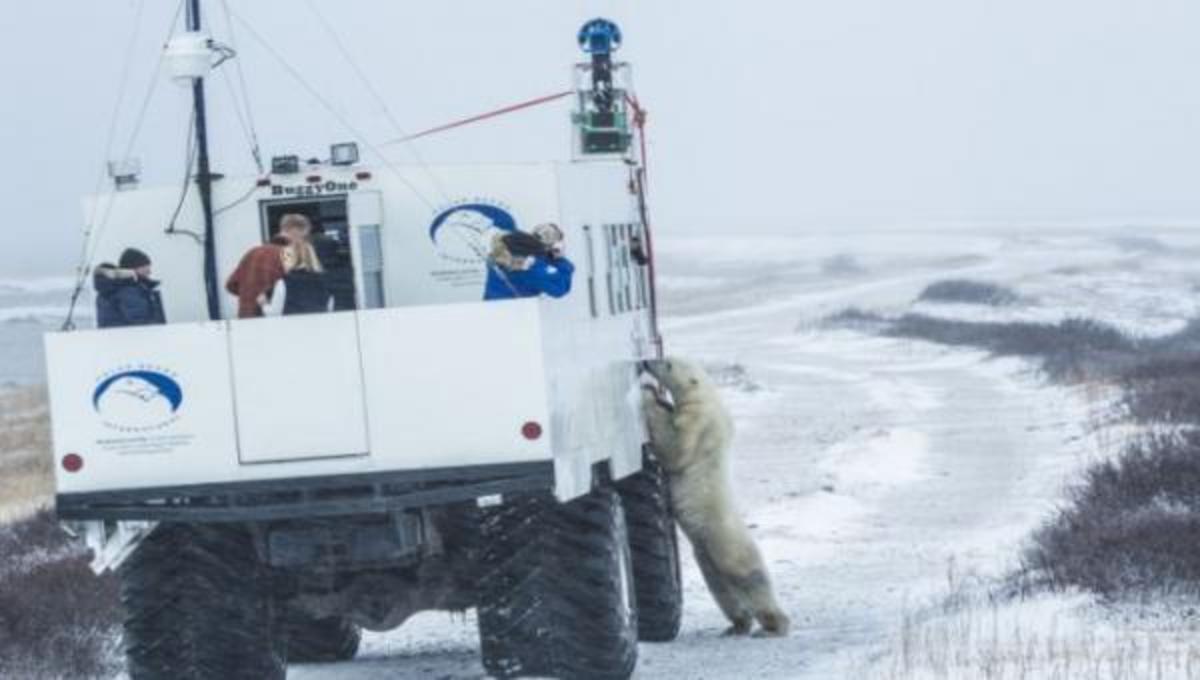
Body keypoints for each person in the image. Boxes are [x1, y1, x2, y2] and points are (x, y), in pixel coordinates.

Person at [226, 214, 311, 318]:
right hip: (272, 320)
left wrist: (249, 295)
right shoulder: (289, 254)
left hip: (246, 318)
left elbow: (231, 285)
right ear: (295, 230)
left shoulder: (252, 252)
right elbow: (294, 290)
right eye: (303, 236)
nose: (303, 241)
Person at [483, 222, 575, 301]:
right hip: (515, 314)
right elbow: (559, 289)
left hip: (491, 310)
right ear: (548, 245)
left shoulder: (505, 248)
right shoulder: (532, 265)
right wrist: (561, 261)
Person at [93, 248, 166, 328]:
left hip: (116, 337)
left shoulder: (118, 286)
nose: (149, 272)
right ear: (133, 269)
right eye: (145, 268)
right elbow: (141, 323)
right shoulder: (127, 290)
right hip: (129, 338)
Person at [262, 238, 332, 316]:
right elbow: (329, 308)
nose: (282, 263)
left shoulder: (284, 283)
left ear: (292, 260)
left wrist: (264, 303)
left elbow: (274, 313)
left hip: (293, 327)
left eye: (285, 259)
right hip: (319, 326)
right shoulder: (324, 281)